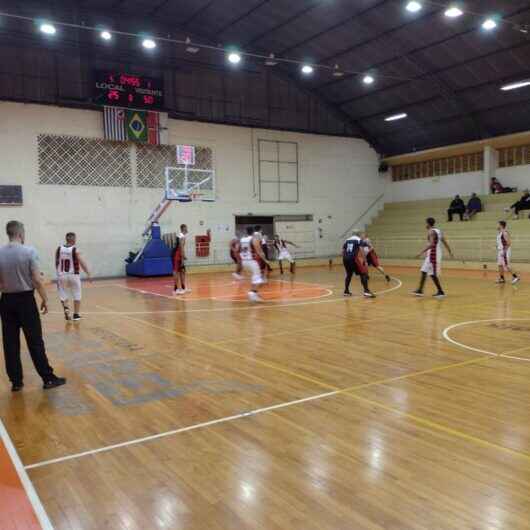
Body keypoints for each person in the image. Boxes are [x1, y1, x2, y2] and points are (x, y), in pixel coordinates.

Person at [0, 221, 66, 392]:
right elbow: (37, 279)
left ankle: (16, 382)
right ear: (21, 234)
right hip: (25, 301)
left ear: (9, 233)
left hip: (6, 301)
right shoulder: (29, 251)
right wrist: (45, 298)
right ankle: (47, 378)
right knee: (35, 341)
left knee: (10, 343)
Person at [413, 217, 453, 298]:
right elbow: (444, 241)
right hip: (435, 254)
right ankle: (421, 290)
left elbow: (431, 244)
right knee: (424, 271)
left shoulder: (431, 232)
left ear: (428, 223)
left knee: (431, 273)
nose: (425, 225)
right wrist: (450, 251)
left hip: (433, 254)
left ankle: (440, 292)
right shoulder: (438, 231)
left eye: (426, 223)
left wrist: (421, 252)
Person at [55, 232, 92, 321]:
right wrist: (88, 273)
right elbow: (82, 262)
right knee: (77, 293)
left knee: (63, 294)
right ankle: (76, 314)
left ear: (66, 239)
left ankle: (66, 310)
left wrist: (58, 273)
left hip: (62, 275)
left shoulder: (59, 249)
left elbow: (56, 262)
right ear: (73, 239)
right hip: (74, 275)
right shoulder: (76, 250)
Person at [240, 226, 269, 302]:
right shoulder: (253, 239)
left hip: (244, 261)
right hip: (252, 261)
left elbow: (238, 249)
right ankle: (252, 293)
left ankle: (254, 294)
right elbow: (259, 251)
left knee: (254, 278)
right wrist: (265, 260)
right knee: (259, 280)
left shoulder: (242, 239)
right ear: (253, 232)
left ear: (246, 232)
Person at [342, 232, 375, 298]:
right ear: (358, 234)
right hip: (354, 259)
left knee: (349, 274)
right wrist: (365, 260)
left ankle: (346, 291)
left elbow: (343, 250)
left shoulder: (347, 240)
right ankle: (366, 291)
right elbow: (362, 249)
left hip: (345, 259)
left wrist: (346, 258)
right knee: (363, 273)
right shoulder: (359, 240)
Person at [173, 224, 190, 295]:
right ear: (183, 229)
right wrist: (183, 257)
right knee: (176, 271)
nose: (187, 229)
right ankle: (175, 289)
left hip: (178, 254)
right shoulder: (182, 236)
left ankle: (183, 287)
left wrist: (183, 256)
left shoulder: (180, 235)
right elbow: (181, 247)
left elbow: (180, 247)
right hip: (177, 255)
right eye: (186, 228)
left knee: (182, 271)